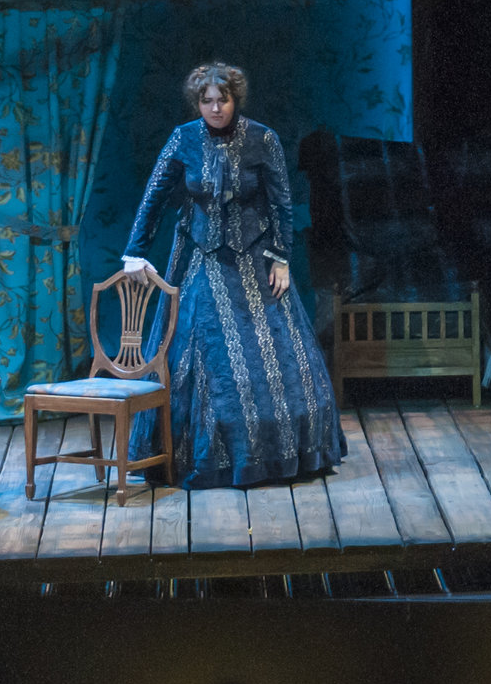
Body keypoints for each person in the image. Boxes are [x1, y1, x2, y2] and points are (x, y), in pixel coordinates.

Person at [120, 62, 345, 485]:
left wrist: (280, 257)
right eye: (207, 102)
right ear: (198, 104)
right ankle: (194, 456)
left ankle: (274, 456)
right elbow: (154, 194)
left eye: (222, 100)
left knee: (271, 358)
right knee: (201, 358)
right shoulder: (183, 139)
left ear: (235, 99)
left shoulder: (262, 138)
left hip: (254, 259)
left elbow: (281, 200)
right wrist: (135, 251)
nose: (216, 108)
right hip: (201, 259)